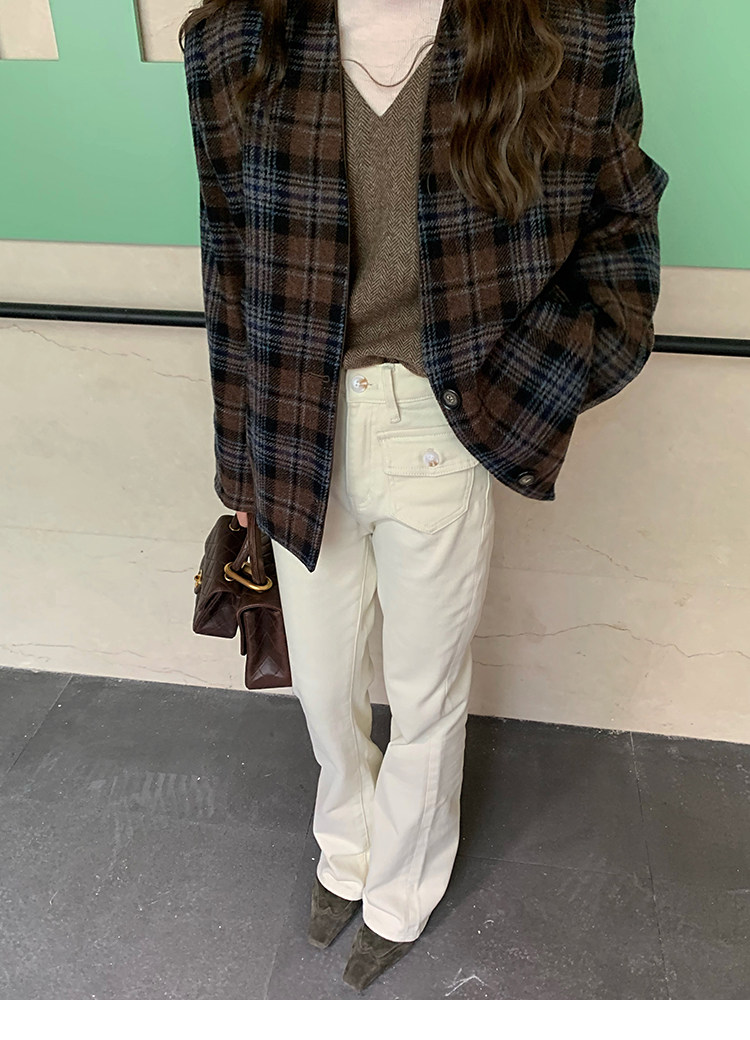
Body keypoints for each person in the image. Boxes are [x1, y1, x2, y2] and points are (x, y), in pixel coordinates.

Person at [180, 0, 669, 992]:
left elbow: (622, 222)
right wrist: (239, 464)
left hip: (438, 427)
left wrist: (543, 380)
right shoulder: (239, 40)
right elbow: (227, 263)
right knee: (322, 681)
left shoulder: (560, 31)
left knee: (426, 685)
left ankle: (401, 888)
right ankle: (347, 844)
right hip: (297, 419)